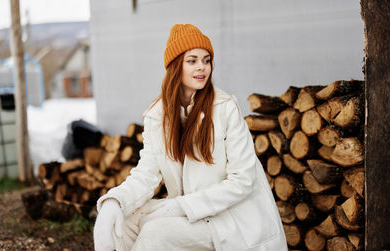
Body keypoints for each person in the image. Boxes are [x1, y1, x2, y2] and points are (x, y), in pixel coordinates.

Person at [93, 24, 287, 251]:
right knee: (124, 222)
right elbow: (146, 175)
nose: (202, 68)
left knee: (157, 233)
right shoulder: (157, 117)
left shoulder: (225, 108)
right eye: (192, 60)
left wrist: (180, 207)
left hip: (232, 218)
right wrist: (114, 202)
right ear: (176, 66)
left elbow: (242, 180)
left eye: (206, 60)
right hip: (192, 213)